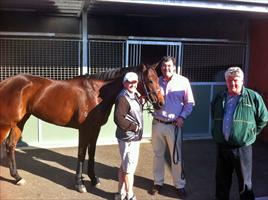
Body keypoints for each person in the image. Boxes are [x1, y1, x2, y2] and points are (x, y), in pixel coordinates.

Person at [211, 66, 268, 200]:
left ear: (242, 81)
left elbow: (264, 118)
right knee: (221, 182)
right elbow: (214, 114)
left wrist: (251, 133)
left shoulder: (253, 97)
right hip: (223, 146)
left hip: (242, 148)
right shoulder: (220, 97)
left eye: (236, 80)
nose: (232, 84)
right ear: (226, 81)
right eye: (229, 80)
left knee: (245, 184)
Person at [150, 56, 195, 198]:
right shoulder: (156, 80)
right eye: (164, 66)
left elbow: (189, 103)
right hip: (157, 123)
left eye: (169, 66)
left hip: (174, 125)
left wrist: (182, 117)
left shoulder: (183, 82)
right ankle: (158, 182)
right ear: (161, 67)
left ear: (174, 67)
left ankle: (179, 185)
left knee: (176, 157)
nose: (166, 69)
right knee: (158, 155)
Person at [114, 72, 143, 200]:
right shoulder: (123, 97)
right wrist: (134, 127)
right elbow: (118, 119)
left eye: (134, 82)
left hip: (132, 137)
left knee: (124, 165)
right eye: (129, 82)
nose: (132, 84)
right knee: (129, 169)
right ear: (124, 83)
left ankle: (120, 193)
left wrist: (141, 100)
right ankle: (130, 195)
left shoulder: (134, 94)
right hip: (129, 137)